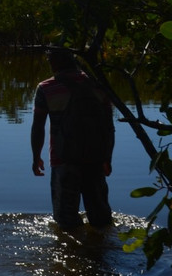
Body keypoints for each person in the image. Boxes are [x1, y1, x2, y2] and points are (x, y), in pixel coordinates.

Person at [30, 48, 115, 231]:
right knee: (101, 221)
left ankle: (71, 248)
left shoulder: (46, 88)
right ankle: (102, 247)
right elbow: (109, 127)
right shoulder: (98, 85)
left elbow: (38, 127)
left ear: (54, 62)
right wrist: (107, 158)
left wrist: (36, 157)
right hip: (95, 159)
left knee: (65, 223)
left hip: (63, 160)